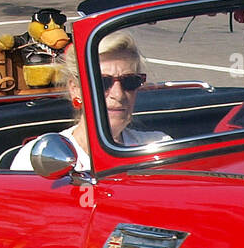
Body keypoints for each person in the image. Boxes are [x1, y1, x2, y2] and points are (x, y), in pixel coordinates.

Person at [10, 31, 168, 171]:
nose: (118, 95)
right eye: (102, 82)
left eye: (130, 81)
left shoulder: (157, 148)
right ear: (75, 89)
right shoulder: (39, 159)